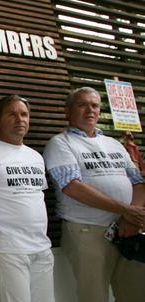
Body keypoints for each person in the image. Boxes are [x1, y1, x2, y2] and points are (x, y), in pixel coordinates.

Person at [43, 87, 145, 302]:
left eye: (95, 105)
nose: (90, 110)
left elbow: (138, 182)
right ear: (67, 112)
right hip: (87, 230)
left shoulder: (114, 144)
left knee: (135, 293)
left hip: (127, 229)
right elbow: (72, 186)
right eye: (82, 105)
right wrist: (125, 210)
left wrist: (130, 216)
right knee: (94, 296)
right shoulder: (60, 143)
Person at [0, 95, 54, 302]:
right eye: (12, 114)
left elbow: (37, 198)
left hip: (41, 247)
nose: (20, 120)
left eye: (24, 114)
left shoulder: (35, 156)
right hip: (7, 248)